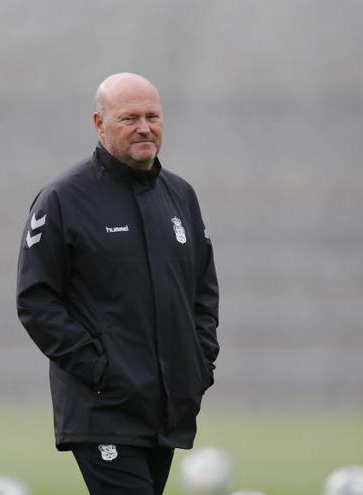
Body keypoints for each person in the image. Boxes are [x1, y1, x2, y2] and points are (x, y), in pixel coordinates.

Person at [16, 72, 219, 495]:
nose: (145, 127)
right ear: (99, 123)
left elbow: (203, 292)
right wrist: (99, 369)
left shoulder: (181, 196)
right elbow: (36, 300)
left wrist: (198, 364)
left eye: (153, 116)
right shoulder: (63, 198)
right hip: (103, 408)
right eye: (129, 118)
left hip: (164, 409)